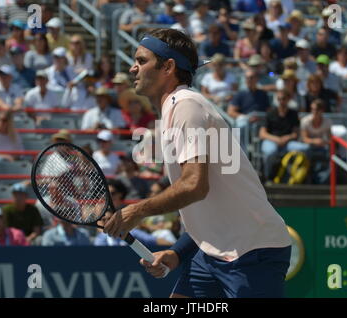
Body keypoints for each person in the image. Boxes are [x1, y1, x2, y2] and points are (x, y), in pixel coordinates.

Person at [98, 28, 291, 298]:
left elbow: (194, 186)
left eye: (142, 61)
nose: (132, 68)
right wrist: (178, 252)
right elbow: (206, 202)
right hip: (211, 252)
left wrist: (135, 212)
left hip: (252, 251)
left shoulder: (186, 105)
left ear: (168, 67)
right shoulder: (175, 111)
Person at [94, 179, 173, 248]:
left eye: (112, 193)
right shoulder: (100, 209)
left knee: (165, 234)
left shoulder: (128, 209)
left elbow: (139, 227)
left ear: (120, 194)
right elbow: (102, 229)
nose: (109, 196)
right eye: (106, 193)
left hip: (135, 235)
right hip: (111, 238)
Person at [259, 89, 308, 179]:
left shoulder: (293, 114)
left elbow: (296, 133)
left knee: (305, 148)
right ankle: (267, 176)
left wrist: (287, 138)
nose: (281, 101)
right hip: (271, 141)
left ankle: (299, 177)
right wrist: (276, 139)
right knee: (270, 152)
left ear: (288, 99)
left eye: (283, 98)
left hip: (287, 143)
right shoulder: (270, 113)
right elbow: (262, 134)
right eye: (279, 99)